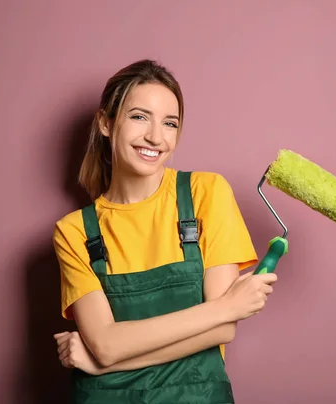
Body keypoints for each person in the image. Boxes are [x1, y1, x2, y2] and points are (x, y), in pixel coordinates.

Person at [52, 59, 278, 403]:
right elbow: (106, 345)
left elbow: (221, 330)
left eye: (169, 123)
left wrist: (104, 365)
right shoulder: (74, 232)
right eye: (139, 117)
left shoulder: (206, 193)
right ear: (106, 123)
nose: (155, 137)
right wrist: (226, 306)